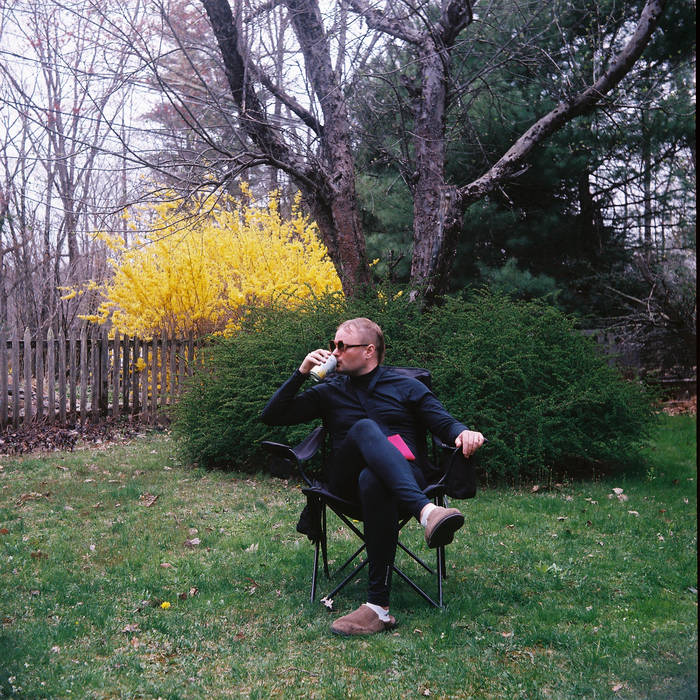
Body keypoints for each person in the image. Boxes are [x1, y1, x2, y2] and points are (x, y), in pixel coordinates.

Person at [261, 317, 484, 636]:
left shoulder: (407, 386)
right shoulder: (330, 390)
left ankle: (378, 609)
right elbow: (272, 416)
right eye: (333, 345)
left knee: (374, 479)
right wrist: (301, 373)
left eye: (341, 346)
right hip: (345, 484)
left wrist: (465, 433)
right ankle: (427, 512)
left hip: (402, 479)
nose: (334, 352)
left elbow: (444, 423)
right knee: (364, 429)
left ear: (368, 350)